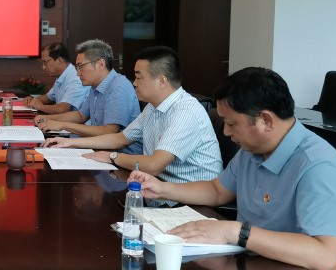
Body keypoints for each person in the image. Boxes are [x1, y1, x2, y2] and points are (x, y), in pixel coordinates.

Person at [130, 67, 336, 270]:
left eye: (232, 123)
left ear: (266, 120)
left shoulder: (318, 166)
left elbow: (328, 259)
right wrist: (163, 189)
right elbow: (217, 190)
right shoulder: (252, 151)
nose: (225, 132)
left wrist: (235, 232)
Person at [43, 45, 222, 185]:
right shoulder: (152, 107)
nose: (134, 83)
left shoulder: (185, 112)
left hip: (188, 200)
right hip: (157, 188)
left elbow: (153, 165)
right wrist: (71, 142)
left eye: (139, 77)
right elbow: (119, 139)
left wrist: (112, 157)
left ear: (162, 81)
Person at [35, 39, 141, 153]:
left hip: (121, 155)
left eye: (81, 66)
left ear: (100, 64)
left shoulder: (118, 87)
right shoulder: (95, 86)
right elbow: (80, 115)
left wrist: (62, 125)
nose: (77, 73)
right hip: (99, 148)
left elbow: (109, 131)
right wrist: (47, 119)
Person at [22, 42, 88, 114]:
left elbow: (63, 109)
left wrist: (41, 107)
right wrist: (32, 100)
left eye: (45, 62)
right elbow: (47, 98)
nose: (43, 67)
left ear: (59, 60)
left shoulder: (75, 79)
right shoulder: (61, 76)